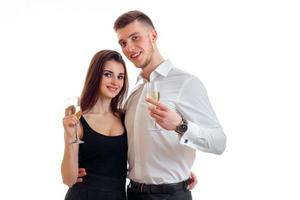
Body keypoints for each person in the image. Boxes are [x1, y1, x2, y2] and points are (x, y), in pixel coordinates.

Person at [78, 10, 226, 200]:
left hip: (169, 196)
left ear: (153, 36)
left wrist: (180, 125)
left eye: (135, 38)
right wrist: (82, 169)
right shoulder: (133, 94)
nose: (129, 48)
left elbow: (219, 142)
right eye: (123, 43)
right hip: (131, 194)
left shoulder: (185, 83)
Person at [61, 50, 129, 200]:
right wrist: (70, 136)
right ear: (95, 75)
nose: (115, 82)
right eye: (108, 74)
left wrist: (177, 171)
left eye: (120, 77)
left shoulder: (125, 116)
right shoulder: (78, 119)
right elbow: (69, 179)